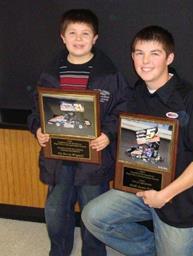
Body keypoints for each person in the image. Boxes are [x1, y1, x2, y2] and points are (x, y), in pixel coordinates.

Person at [81, 26, 193, 256]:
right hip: (141, 188)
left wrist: (164, 195)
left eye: (155, 53)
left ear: (169, 57)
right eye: (139, 53)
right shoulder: (137, 93)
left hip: (180, 200)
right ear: (132, 57)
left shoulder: (192, 99)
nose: (145, 61)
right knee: (93, 216)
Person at [27, 9, 131, 256]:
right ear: (63, 37)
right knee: (55, 211)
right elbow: (35, 112)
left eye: (85, 33)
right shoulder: (49, 74)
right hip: (58, 158)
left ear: (95, 38)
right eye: (72, 32)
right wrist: (38, 129)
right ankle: (59, 250)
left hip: (93, 160)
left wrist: (108, 134)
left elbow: (123, 111)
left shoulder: (110, 75)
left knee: (92, 212)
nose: (79, 38)